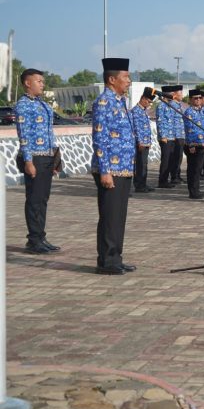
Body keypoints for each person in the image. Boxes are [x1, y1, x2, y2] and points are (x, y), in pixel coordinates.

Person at [91, 58, 136, 275]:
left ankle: (115, 257)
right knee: (110, 216)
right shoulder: (104, 102)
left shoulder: (120, 101)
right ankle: (107, 261)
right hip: (110, 169)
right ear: (111, 79)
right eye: (125, 77)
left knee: (118, 216)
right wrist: (105, 170)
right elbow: (100, 138)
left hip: (124, 168)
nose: (129, 81)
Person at [14, 68, 61, 254]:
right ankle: (33, 240)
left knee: (42, 199)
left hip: (47, 156)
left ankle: (41, 236)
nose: (42, 84)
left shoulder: (42, 104)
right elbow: (23, 136)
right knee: (34, 199)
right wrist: (28, 161)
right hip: (34, 157)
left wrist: (55, 159)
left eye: (42, 81)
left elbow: (49, 133)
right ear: (27, 83)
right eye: (39, 81)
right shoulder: (23, 105)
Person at [130, 87, 156, 193]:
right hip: (140, 143)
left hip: (145, 142)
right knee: (140, 165)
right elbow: (136, 127)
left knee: (144, 164)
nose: (149, 104)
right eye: (148, 102)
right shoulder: (136, 111)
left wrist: (148, 141)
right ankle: (139, 185)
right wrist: (140, 141)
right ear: (143, 98)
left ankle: (143, 183)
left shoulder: (143, 111)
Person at [183, 89, 204, 199]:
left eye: (199, 98)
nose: (198, 100)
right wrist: (191, 145)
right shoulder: (189, 112)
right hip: (194, 145)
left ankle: (196, 189)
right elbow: (189, 129)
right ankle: (193, 192)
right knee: (193, 169)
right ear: (190, 100)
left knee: (198, 169)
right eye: (195, 98)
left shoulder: (201, 111)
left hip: (202, 144)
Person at [155, 85, 178, 188]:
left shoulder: (170, 105)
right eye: (170, 94)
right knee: (165, 159)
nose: (172, 96)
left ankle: (167, 179)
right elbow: (160, 122)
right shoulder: (161, 106)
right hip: (165, 137)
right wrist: (163, 136)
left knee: (170, 159)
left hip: (172, 136)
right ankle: (162, 181)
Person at [171, 86, 186, 184]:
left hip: (181, 134)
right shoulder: (172, 105)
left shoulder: (179, 105)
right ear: (174, 95)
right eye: (180, 94)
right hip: (176, 134)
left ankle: (178, 175)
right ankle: (174, 176)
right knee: (175, 157)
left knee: (179, 157)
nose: (182, 96)